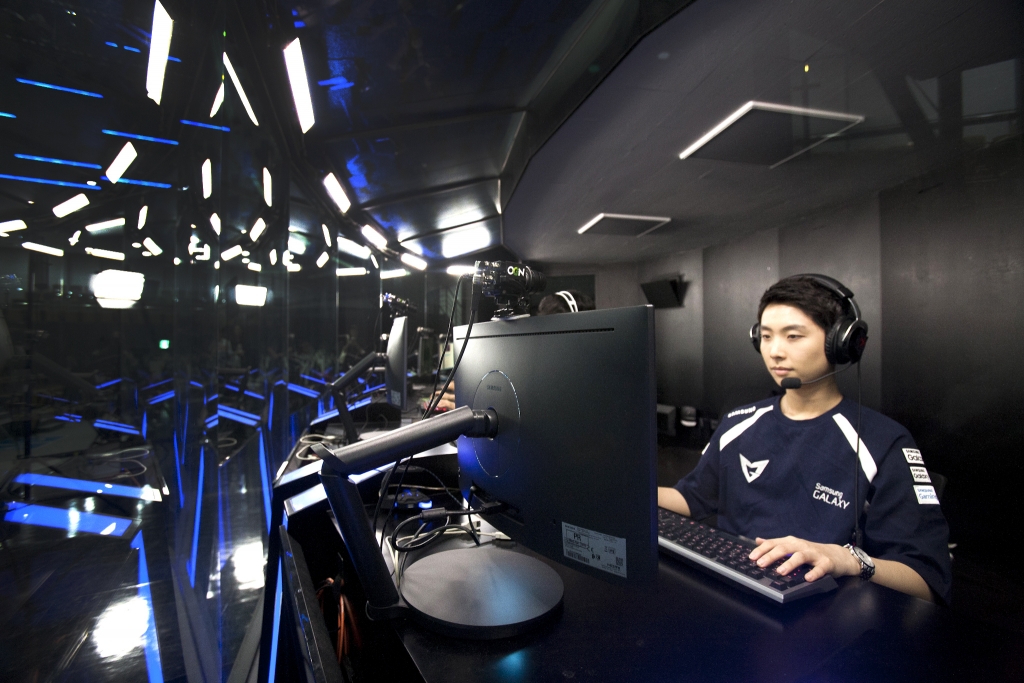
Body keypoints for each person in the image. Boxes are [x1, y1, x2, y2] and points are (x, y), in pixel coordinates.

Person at [658, 275, 952, 603]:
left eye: (793, 336)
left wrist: (848, 560)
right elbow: (692, 497)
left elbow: (927, 582)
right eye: (766, 337)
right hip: (731, 593)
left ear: (839, 341)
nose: (775, 351)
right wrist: (625, 490)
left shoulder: (883, 441)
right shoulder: (738, 422)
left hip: (826, 611)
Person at [428, 290, 596, 411]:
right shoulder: (547, 368)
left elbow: (521, 417)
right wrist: (462, 392)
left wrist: (461, 408)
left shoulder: (575, 383)